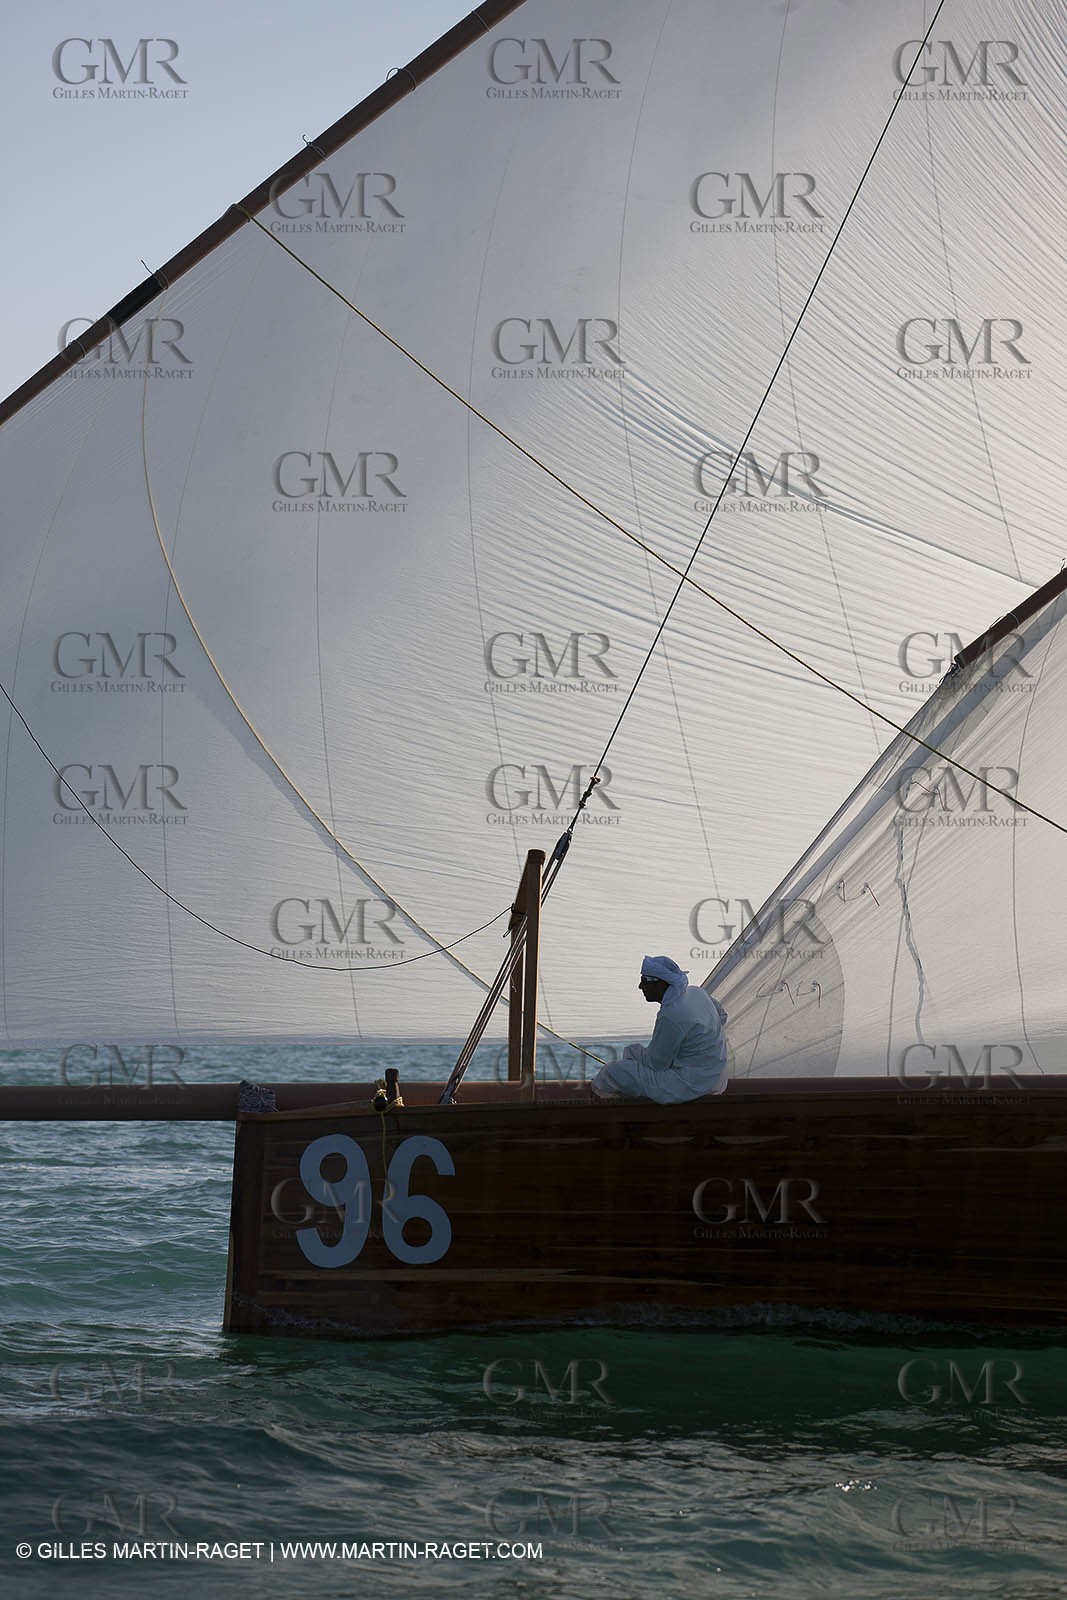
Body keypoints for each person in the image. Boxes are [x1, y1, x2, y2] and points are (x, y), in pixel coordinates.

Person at [591, 955, 728, 1103]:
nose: (640, 986)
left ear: (660, 984)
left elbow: (656, 1064)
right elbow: (722, 1016)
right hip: (717, 1079)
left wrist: (632, 1053)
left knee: (612, 1072)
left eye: (644, 981)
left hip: (691, 1085)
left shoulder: (672, 1014)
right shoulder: (697, 992)